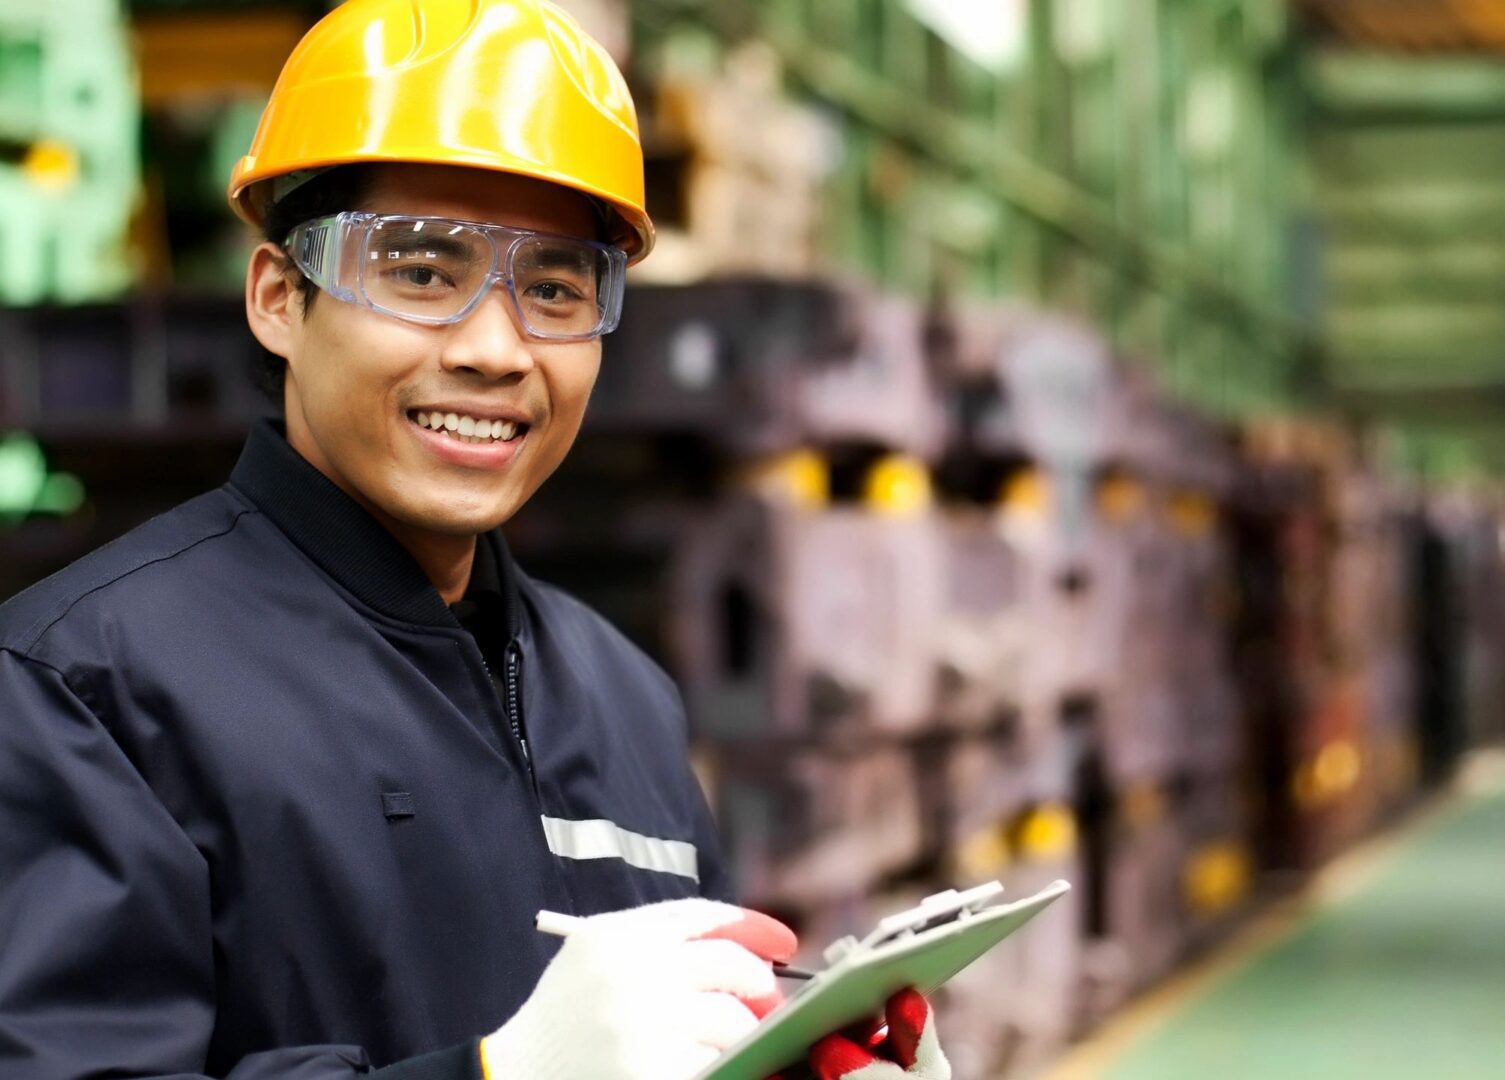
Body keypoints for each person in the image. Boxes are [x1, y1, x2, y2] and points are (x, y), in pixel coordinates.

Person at [0, 2, 950, 1078]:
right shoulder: (80, 692)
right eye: (419, 271)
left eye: (552, 289)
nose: (496, 349)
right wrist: (495, 1074)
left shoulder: (621, 696)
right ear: (276, 298)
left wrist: (799, 1061)